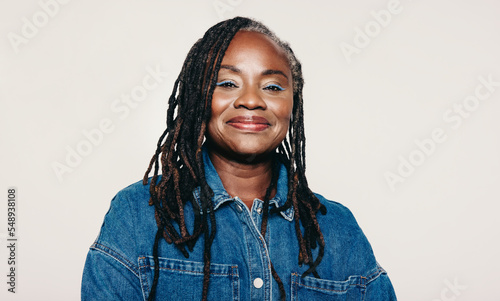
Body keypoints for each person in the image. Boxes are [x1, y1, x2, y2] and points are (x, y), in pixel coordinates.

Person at [81, 16, 397, 301]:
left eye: (272, 86)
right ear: (199, 98)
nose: (250, 100)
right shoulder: (137, 215)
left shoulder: (338, 228)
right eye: (228, 83)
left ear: (292, 105)